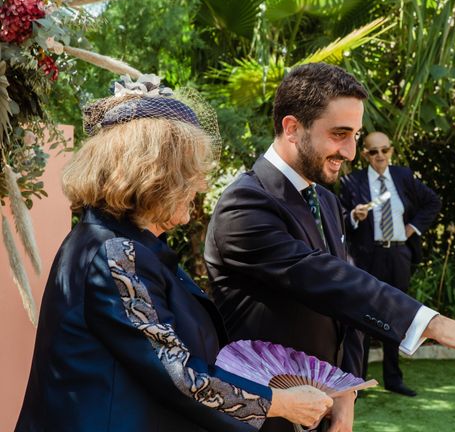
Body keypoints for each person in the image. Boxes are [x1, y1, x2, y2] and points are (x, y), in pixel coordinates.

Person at [205, 63, 455, 432]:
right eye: (340, 134)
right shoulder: (244, 205)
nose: (352, 151)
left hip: (323, 415)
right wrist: (432, 323)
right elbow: (328, 280)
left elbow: (348, 305)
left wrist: (347, 391)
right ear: (293, 128)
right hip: (265, 420)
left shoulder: (325, 201)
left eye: (355, 135)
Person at [15, 77, 333, 432]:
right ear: (155, 176)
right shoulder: (115, 252)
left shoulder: (122, 243)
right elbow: (178, 374)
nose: (200, 185)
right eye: (191, 174)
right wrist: (280, 404)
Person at [339, 131, 441, 397]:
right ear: (365, 155)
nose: (380, 156)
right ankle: (356, 382)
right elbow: (338, 216)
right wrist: (354, 215)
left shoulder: (403, 177)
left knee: (396, 317)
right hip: (366, 256)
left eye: (385, 150)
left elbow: (432, 202)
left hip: (398, 255)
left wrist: (411, 229)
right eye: (374, 152)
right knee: (361, 316)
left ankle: (393, 380)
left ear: (391, 151)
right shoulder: (352, 181)